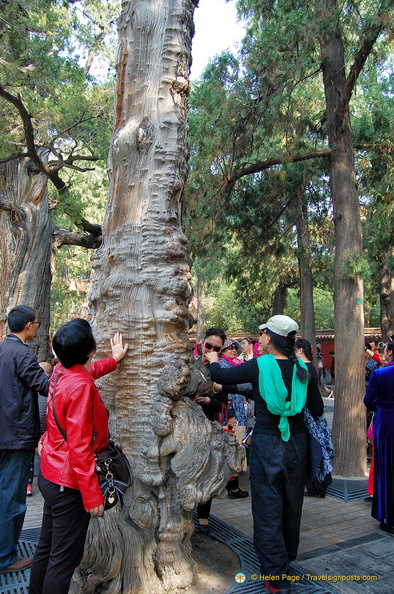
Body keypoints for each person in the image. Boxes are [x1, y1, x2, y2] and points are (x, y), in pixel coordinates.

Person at [206, 315, 323, 594]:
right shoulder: (305, 369)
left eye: (263, 333)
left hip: (268, 443)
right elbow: (317, 409)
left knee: (267, 507)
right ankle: (286, 557)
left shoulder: (260, 365)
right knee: (292, 503)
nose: (260, 337)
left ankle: (275, 574)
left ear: (269, 338)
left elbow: (220, 375)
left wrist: (211, 357)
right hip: (297, 445)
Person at [29, 319, 128, 594]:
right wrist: (92, 494)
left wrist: (114, 360)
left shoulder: (62, 371)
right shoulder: (80, 386)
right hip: (68, 485)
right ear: (88, 350)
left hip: (50, 475)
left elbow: (88, 372)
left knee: (46, 551)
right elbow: (80, 446)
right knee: (62, 563)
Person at [0, 305, 50, 573]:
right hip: (15, 437)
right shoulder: (22, 354)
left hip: (4, 434)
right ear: (29, 325)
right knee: (12, 498)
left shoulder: (2, 350)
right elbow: (44, 386)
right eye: (37, 324)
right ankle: (6, 556)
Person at [193, 327, 228, 533]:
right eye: (209, 346)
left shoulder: (218, 370)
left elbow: (223, 404)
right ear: (202, 341)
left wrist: (208, 400)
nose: (211, 351)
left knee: (208, 472)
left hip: (208, 427)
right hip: (182, 428)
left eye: (217, 349)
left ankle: (204, 516)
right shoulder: (187, 360)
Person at [364, 341, 394, 537]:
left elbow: (369, 400)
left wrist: (382, 407)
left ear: (390, 352)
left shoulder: (380, 374)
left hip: (387, 421)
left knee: (387, 468)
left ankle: (389, 518)